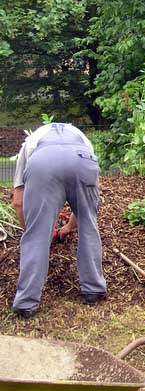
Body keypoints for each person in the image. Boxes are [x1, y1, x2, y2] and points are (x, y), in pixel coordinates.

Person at [10, 123, 107, 319]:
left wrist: (30, 230)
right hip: (82, 159)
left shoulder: (30, 143)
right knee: (89, 225)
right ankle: (94, 290)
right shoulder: (82, 139)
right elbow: (89, 205)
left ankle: (26, 304)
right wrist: (70, 227)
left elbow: (18, 202)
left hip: (43, 163)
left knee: (36, 236)